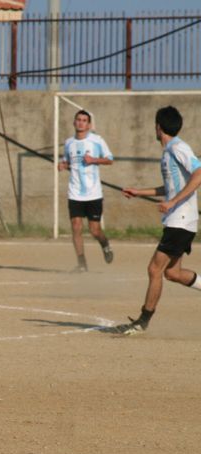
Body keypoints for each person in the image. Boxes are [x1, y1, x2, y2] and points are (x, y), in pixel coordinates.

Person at [119, 106, 201, 335]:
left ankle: (142, 321)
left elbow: (199, 174)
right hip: (179, 220)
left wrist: (173, 202)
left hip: (180, 220)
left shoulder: (178, 147)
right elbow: (170, 187)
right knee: (172, 273)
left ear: (158, 126)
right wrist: (139, 192)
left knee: (154, 269)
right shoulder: (168, 152)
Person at [58, 110, 115, 272]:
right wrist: (63, 165)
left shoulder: (97, 140)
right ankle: (81, 263)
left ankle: (105, 244)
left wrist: (94, 160)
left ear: (89, 125)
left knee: (94, 230)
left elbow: (110, 159)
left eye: (84, 120)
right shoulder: (69, 143)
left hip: (93, 193)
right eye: (78, 120)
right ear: (74, 122)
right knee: (76, 227)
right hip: (74, 192)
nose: (81, 123)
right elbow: (67, 161)